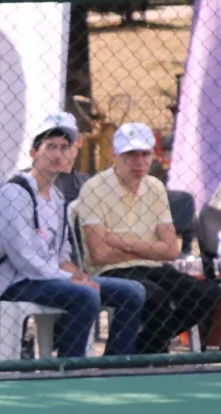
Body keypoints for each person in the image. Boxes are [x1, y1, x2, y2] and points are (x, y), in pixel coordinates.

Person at [0, 116, 146, 358]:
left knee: (133, 292)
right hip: (14, 282)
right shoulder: (15, 192)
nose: (58, 154)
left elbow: (61, 255)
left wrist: (79, 275)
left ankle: (115, 363)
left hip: (49, 279)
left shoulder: (57, 198)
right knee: (85, 296)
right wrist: (72, 280)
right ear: (34, 152)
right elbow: (24, 260)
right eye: (50, 147)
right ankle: (68, 367)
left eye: (64, 147)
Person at [74, 122, 221, 353]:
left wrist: (120, 241)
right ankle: (147, 354)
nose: (139, 161)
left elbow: (171, 250)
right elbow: (99, 254)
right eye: (131, 154)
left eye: (145, 154)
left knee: (207, 294)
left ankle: (143, 349)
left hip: (150, 267)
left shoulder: (154, 187)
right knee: (157, 297)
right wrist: (150, 247)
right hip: (109, 270)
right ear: (115, 155)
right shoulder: (94, 188)